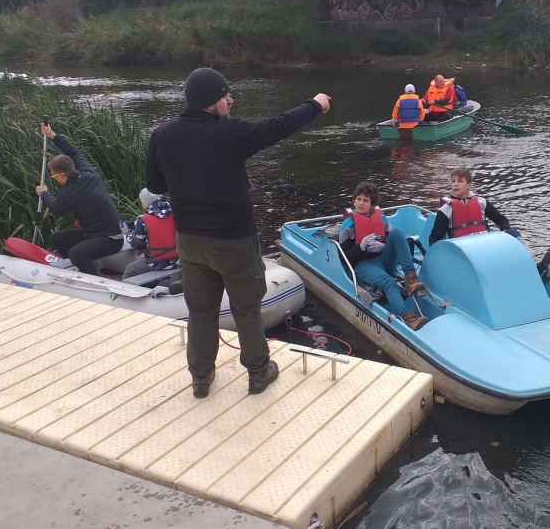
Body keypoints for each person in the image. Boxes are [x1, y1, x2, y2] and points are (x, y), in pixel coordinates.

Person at [145, 67, 331, 399]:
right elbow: (280, 126)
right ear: (208, 101)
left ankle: (201, 378)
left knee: (200, 311)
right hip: (233, 242)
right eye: (224, 94)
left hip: (190, 243)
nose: (230, 99)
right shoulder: (230, 134)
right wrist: (315, 104)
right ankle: (259, 373)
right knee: (246, 309)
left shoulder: (163, 135)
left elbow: (156, 185)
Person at [428, 168, 550, 279]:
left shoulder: (481, 202)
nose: (455, 184)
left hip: (485, 243)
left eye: (460, 181)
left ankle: (534, 269)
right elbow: (434, 238)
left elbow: (501, 220)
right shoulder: (446, 209)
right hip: (463, 249)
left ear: (469, 185)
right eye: (453, 181)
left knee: (513, 233)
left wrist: (505, 232)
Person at [339, 181, 429, 331]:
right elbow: (344, 257)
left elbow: (392, 240)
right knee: (389, 282)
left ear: (372, 205)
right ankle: (407, 317)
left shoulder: (382, 220)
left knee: (397, 232)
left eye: (365, 200)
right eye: (358, 199)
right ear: (354, 201)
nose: (361, 203)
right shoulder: (348, 226)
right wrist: (360, 248)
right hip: (363, 265)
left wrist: (383, 246)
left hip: (383, 259)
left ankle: (411, 276)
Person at [35, 122, 123, 276]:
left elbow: (55, 209)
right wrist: (52, 135)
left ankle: (96, 280)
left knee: (76, 253)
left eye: (53, 176)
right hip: (92, 232)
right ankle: (80, 269)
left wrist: (44, 193)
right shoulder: (88, 172)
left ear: (61, 176)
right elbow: (74, 152)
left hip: (110, 238)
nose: (54, 179)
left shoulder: (68, 193)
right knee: (57, 239)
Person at [121, 188, 181, 282]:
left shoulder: (143, 220)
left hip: (158, 263)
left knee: (130, 269)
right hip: (179, 260)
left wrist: (126, 232)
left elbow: (136, 244)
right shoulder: (176, 212)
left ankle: (122, 293)